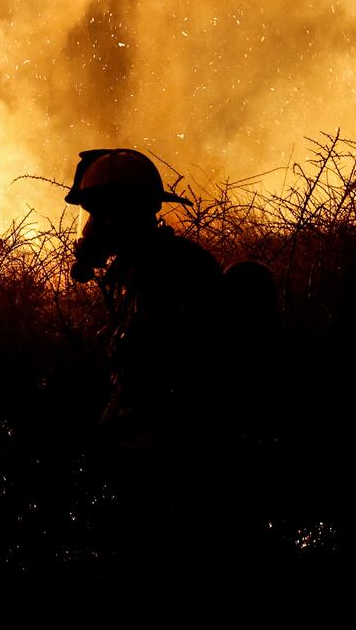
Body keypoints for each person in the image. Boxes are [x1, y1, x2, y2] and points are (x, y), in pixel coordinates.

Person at [65, 148, 233, 580]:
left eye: (99, 214)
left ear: (127, 213)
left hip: (175, 466)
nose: (92, 227)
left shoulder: (177, 272)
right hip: (146, 457)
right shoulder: (137, 272)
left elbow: (179, 376)